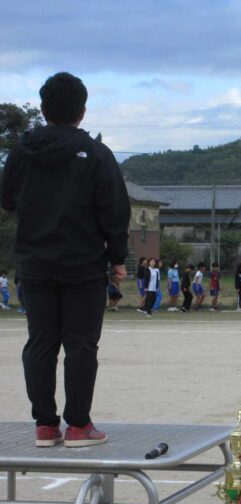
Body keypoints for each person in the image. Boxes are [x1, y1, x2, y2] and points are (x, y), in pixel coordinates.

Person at [1, 72, 130, 447]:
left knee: (40, 342)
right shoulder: (96, 153)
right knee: (80, 344)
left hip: (34, 263)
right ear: (82, 111)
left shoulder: (21, 152)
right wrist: (117, 257)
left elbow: (6, 199)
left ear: (43, 109)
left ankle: (44, 425)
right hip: (82, 264)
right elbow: (114, 210)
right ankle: (78, 426)